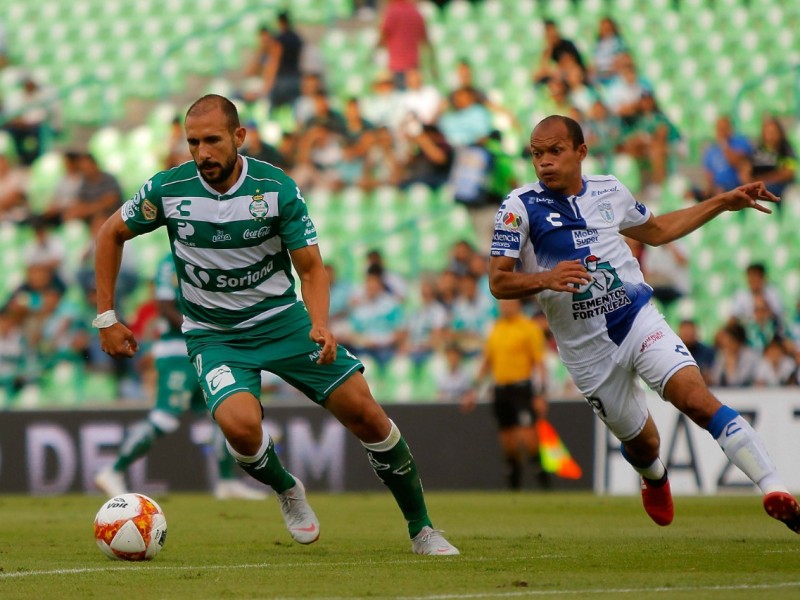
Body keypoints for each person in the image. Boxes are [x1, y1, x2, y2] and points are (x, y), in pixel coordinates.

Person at [92, 94, 458, 555]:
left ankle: (422, 528)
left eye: (212, 140)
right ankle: (287, 488)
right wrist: (106, 316)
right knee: (240, 427)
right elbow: (110, 233)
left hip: (282, 322)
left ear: (239, 138)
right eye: (193, 143)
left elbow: (311, 269)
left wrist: (320, 323)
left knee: (368, 415)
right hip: (216, 335)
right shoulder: (169, 189)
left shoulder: (275, 189)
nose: (202, 153)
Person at [487, 114, 800, 533]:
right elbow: (498, 280)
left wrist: (722, 201)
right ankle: (653, 475)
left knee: (695, 398)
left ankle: (774, 488)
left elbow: (657, 230)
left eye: (555, 151)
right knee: (644, 443)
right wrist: (547, 277)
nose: (544, 162)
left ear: (580, 152)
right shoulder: (518, 207)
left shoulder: (610, 190)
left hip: (636, 319)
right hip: (587, 353)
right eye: (536, 154)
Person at [94, 254, 268, 501]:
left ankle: (226, 482)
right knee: (164, 418)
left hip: (206, 351)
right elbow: (165, 308)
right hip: (179, 352)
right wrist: (203, 330)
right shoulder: (170, 261)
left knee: (223, 415)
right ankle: (112, 471)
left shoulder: (213, 254)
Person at [462, 299, 550, 490]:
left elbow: (540, 363)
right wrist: (473, 390)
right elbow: (487, 362)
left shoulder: (529, 328)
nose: (505, 306)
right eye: (502, 303)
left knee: (528, 438)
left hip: (522, 389)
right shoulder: (495, 328)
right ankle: (514, 490)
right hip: (500, 389)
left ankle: (544, 484)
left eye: (509, 303)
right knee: (507, 441)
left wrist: (541, 393)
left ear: (518, 304)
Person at [378, 0, 437, 89]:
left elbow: (384, 33)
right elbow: (424, 38)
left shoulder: (392, 12)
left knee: (400, 98)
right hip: (413, 64)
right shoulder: (416, 12)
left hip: (396, 64)